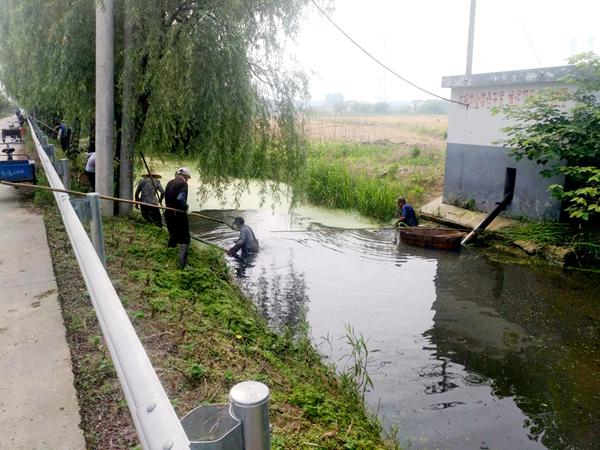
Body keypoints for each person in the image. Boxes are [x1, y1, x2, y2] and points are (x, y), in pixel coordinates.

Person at [165, 167, 191, 268]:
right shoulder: (183, 183)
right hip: (178, 214)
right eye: (188, 177)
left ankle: (167, 255)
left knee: (173, 235)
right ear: (184, 176)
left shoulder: (170, 182)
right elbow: (180, 199)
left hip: (168, 213)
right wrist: (186, 207)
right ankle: (183, 265)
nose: (188, 179)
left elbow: (165, 195)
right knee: (186, 239)